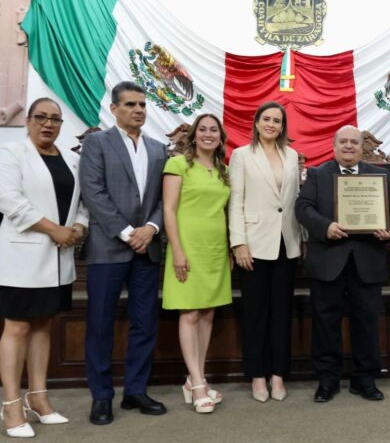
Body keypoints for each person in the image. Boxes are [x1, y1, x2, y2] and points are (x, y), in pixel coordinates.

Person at [79, 81, 167, 425]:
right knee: (100, 325)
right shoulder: (97, 143)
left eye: (142, 105)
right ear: (114, 109)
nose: (138, 110)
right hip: (108, 248)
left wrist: (152, 228)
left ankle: (135, 390)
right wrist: (129, 233)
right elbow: (93, 192)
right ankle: (101, 397)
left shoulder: (159, 149)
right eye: (130, 104)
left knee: (144, 324)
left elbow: (165, 199)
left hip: (147, 250)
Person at [295, 125, 390, 403]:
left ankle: (365, 379)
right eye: (343, 142)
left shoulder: (379, 176)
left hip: (367, 261)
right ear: (334, 145)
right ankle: (327, 380)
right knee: (325, 323)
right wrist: (325, 226)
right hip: (328, 261)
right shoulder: (318, 175)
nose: (348, 146)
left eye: (354, 142)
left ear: (361, 146)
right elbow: (303, 208)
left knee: (367, 323)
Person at [0, 98, 87, 438]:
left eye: (55, 119)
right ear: (29, 121)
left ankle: (39, 399)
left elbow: (82, 204)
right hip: (22, 258)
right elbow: (9, 200)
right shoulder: (11, 154)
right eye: (41, 118)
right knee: (17, 327)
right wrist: (54, 229)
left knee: (42, 326)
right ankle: (11, 405)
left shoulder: (71, 160)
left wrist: (78, 228)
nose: (48, 124)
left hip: (57, 260)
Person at [229, 102, 303, 402]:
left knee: (282, 314)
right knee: (255, 314)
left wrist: (304, 238)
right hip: (254, 245)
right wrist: (238, 243)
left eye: (277, 120)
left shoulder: (292, 155)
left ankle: (277, 375)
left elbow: (295, 200)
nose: (272, 124)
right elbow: (236, 201)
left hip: (287, 243)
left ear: (283, 126)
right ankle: (257, 376)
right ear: (256, 123)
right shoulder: (241, 155)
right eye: (267, 119)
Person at [163, 113, 231, 414]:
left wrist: (229, 248)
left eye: (213, 130)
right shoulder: (178, 164)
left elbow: (225, 212)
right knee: (189, 313)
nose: (207, 134)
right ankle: (199, 384)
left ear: (220, 137)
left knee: (207, 314)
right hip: (187, 247)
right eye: (202, 129)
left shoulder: (223, 169)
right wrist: (177, 250)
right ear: (193, 135)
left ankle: (195, 379)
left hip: (216, 249)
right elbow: (168, 209)